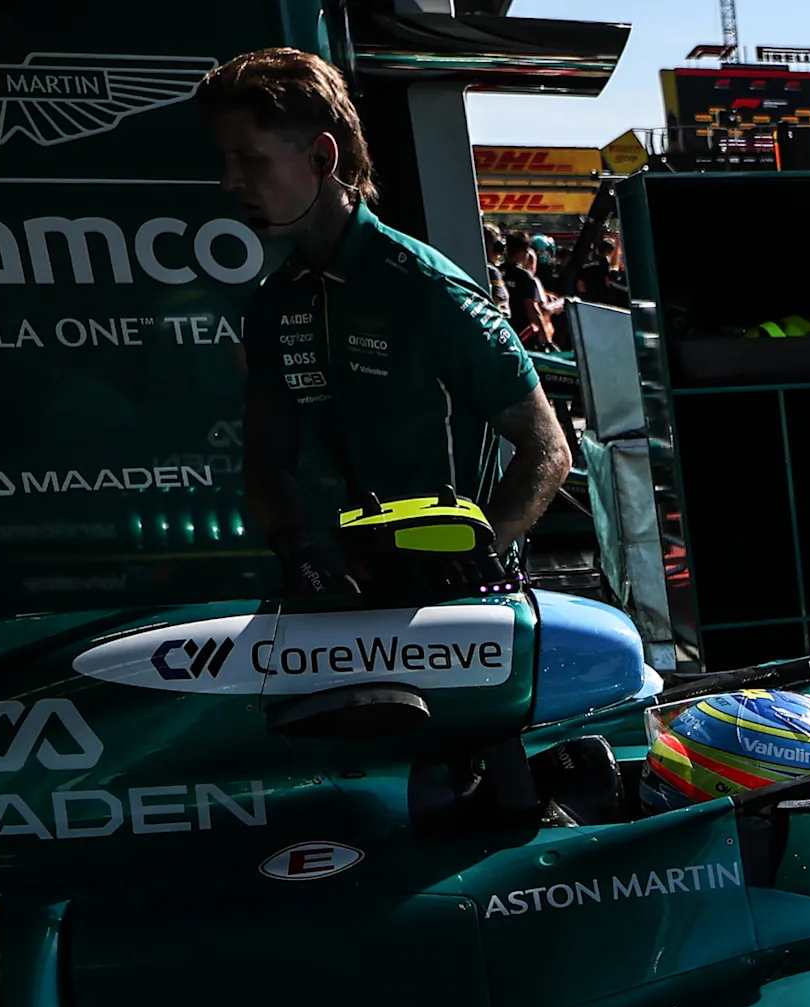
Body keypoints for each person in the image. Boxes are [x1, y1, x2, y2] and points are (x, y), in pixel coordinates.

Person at [202, 46, 568, 600]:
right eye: (226, 161)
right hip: (346, 599)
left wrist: (481, 552)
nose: (230, 181)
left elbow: (547, 449)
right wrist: (296, 547)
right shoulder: (273, 305)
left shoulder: (426, 289)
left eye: (250, 160)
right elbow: (266, 458)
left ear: (323, 157)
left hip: (462, 610)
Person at [497, 229, 558, 351]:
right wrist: (546, 341)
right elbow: (532, 309)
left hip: (500, 331)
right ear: (523, 252)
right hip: (522, 336)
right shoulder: (524, 277)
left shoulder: (496, 272)